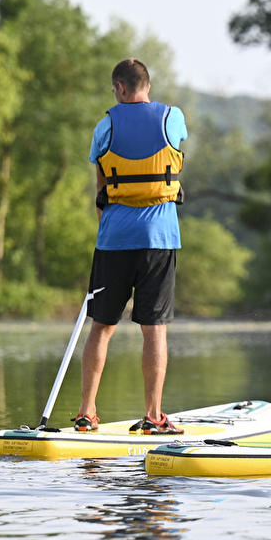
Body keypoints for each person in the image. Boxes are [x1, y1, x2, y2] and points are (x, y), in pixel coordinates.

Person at [73, 58, 188, 435]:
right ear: (147, 85)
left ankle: (87, 413)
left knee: (101, 326)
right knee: (154, 329)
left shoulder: (104, 125)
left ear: (120, 88)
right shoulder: (173, 118)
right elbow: (174, 162)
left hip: (114, 241)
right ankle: (154, 417)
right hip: (160, 239)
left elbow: (101, 188)